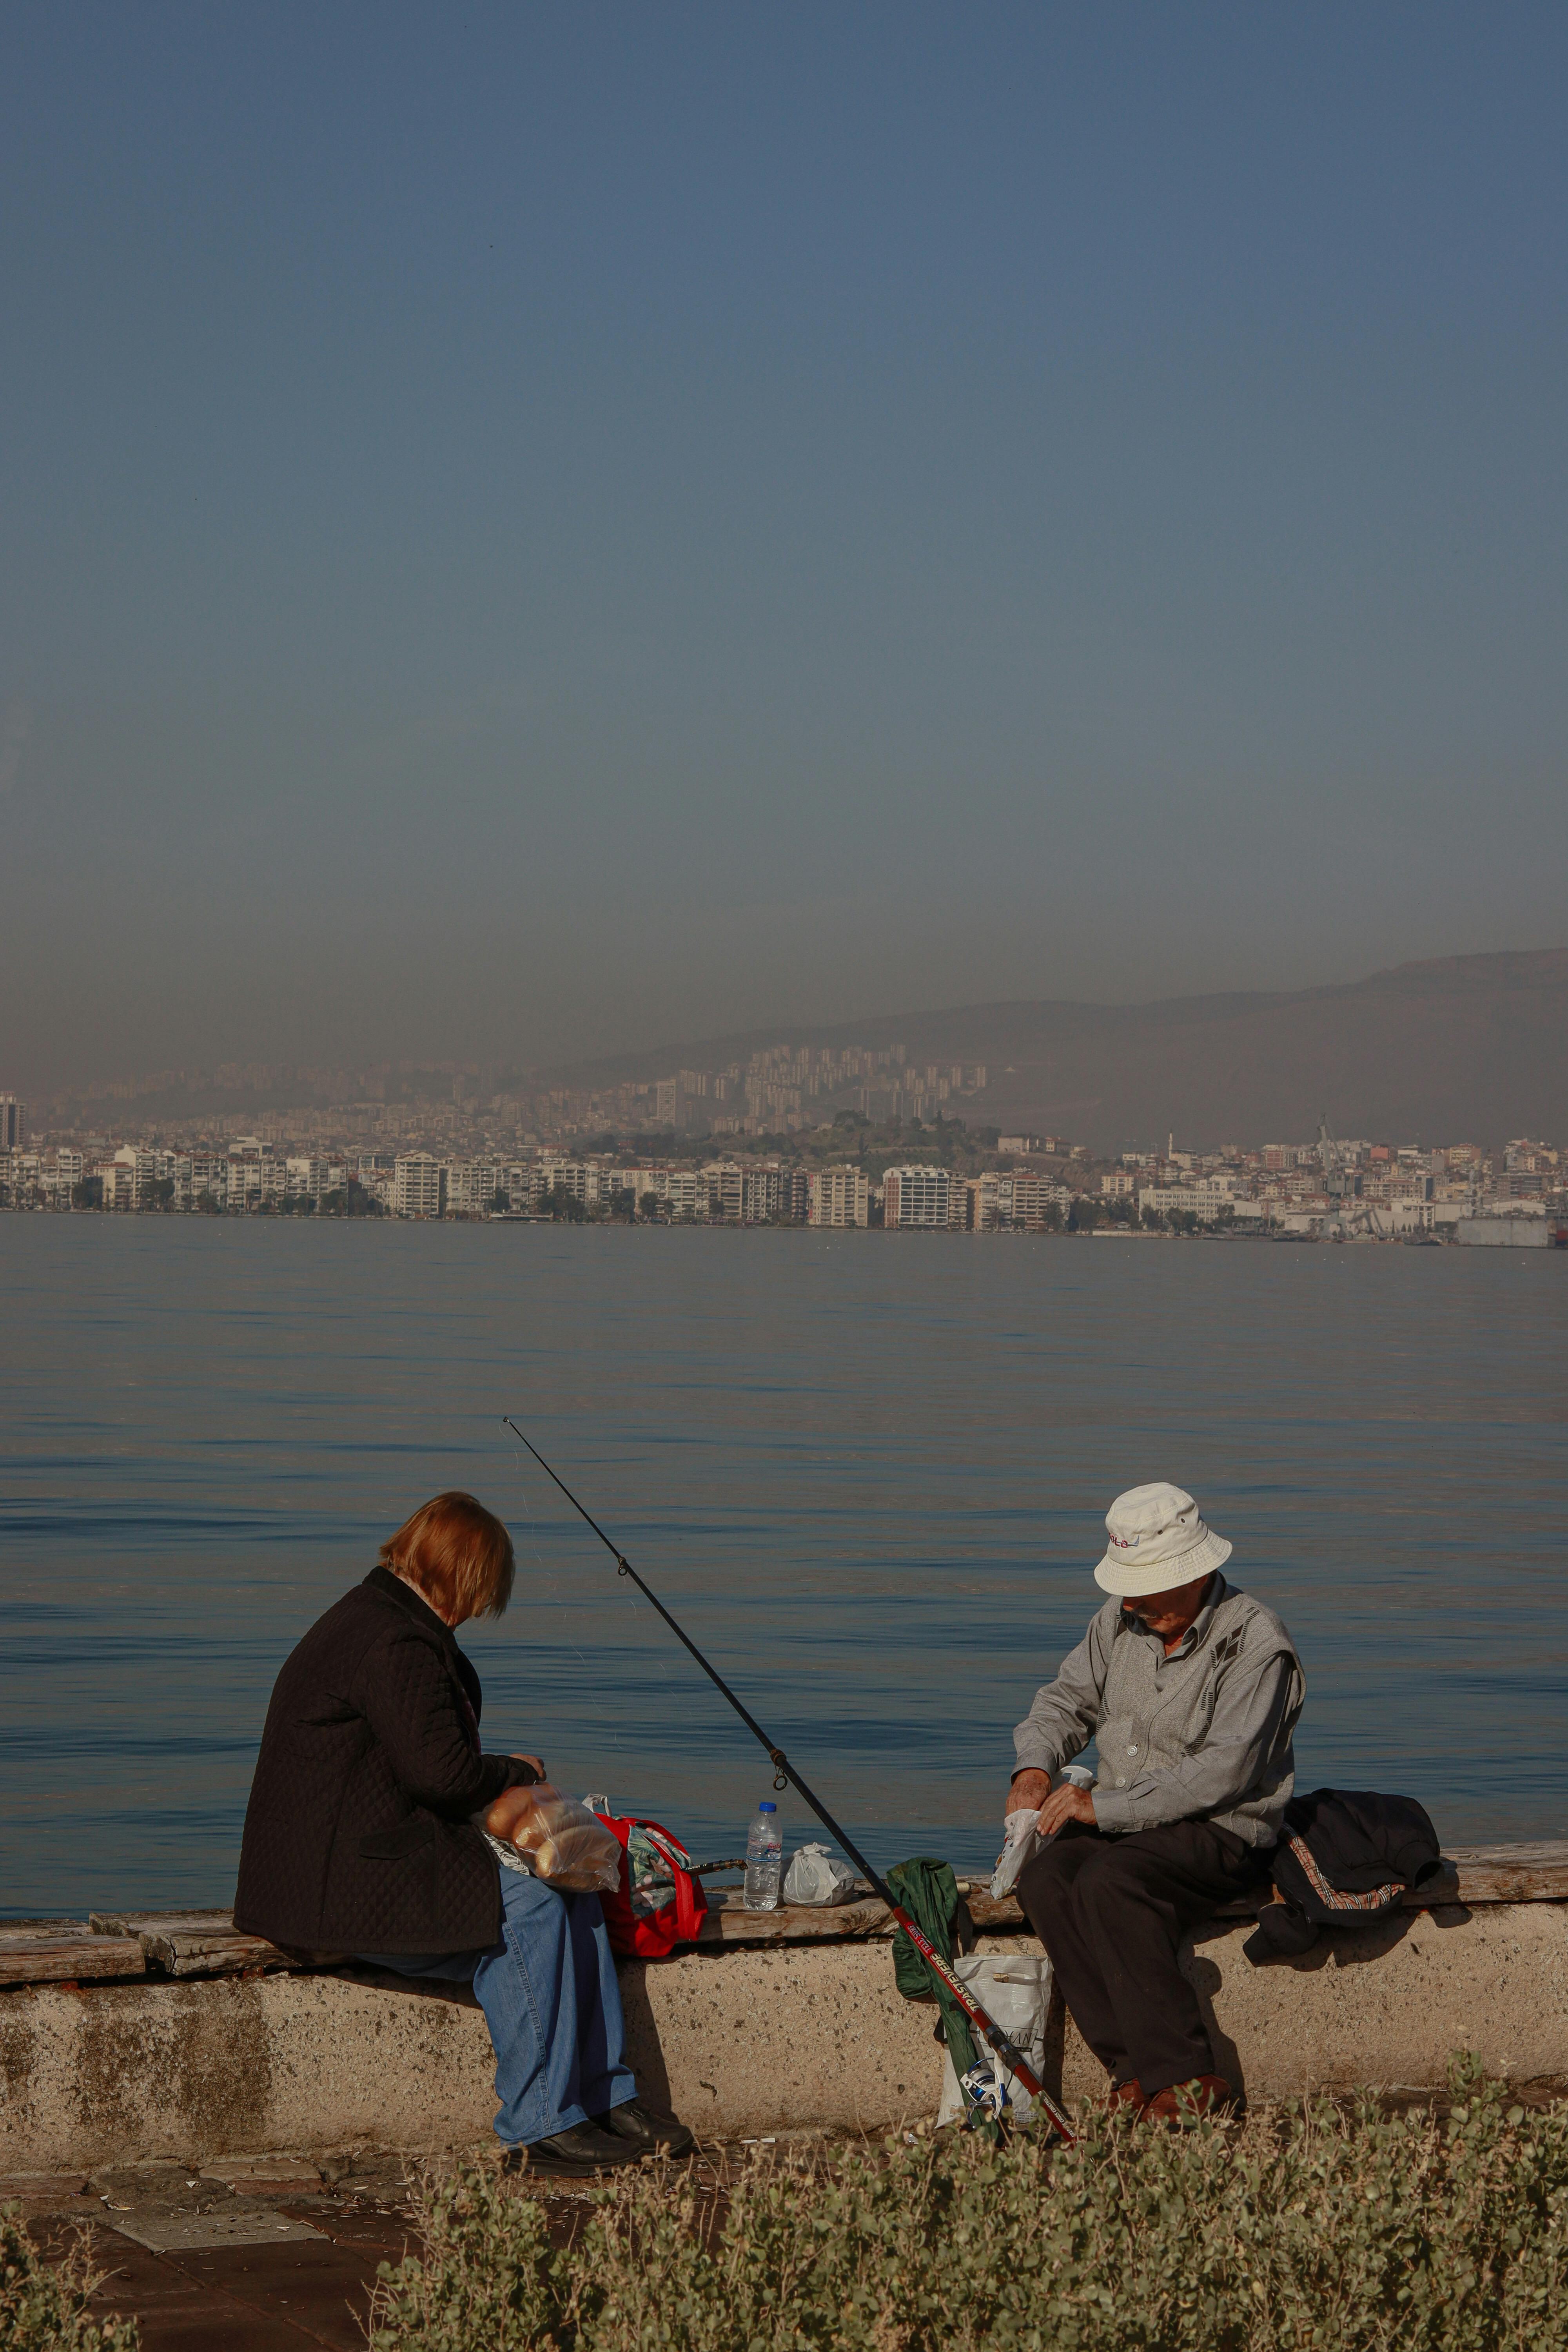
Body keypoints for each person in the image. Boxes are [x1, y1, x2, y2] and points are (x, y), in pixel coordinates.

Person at [234, 1490, 693, 2177]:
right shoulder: (391, 1641)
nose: (478, 1611)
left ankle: (605, 2093)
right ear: (461, 1575)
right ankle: (542, 2122)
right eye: (480, 1594)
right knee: (531, 1908)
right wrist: (518, 1768)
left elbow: (425, 1765)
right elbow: (443, 1777)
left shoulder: (383, 1621)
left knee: (577, 1887)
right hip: (333, 1885)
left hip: (369, 1853)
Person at [1009, 1482, 1303, 2121]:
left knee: (1113, 1881)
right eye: (1129, 1587)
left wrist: (1100, 1811)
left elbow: (1224, 1773)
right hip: (1131, 1822)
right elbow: (1065, 1702)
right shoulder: (1120, 1619)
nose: (1134, 1601)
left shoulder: (1256, 1643)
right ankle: (1132, 2070)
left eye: (1148, 1586)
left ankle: (1189, 2078)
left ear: (1197, 1572)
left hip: (1223, 1831)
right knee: (1046, 1878)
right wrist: (1034, 1767)